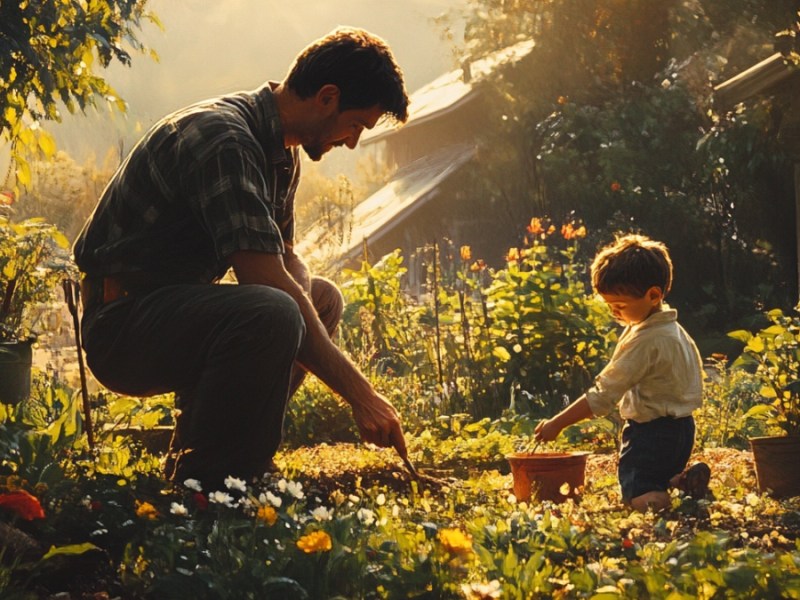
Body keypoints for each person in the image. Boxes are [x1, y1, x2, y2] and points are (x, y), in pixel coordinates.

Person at [72, 27, 411, 490]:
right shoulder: (226, 140)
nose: (352, 142)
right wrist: (363, 395)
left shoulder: (280, 153)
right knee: (274, 311)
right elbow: (264, 278)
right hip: (122, 324)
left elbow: (284, 260)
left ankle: (205, 451)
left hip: (176, 309)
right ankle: (219, 482)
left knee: (321, 299)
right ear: (328, 97)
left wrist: (299, 286)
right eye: (356, 125)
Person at [534, 234, 710, 512]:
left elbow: (603, 396)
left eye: (620, 305)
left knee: (637, 492)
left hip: (651, 434)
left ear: (654, 295)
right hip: (682, 429)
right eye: (609, 306)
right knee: (657, 477)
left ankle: (676, 504)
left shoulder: (647, 340)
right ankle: (682, 483)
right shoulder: (673, 331)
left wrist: (558, 423)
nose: (615, 313)